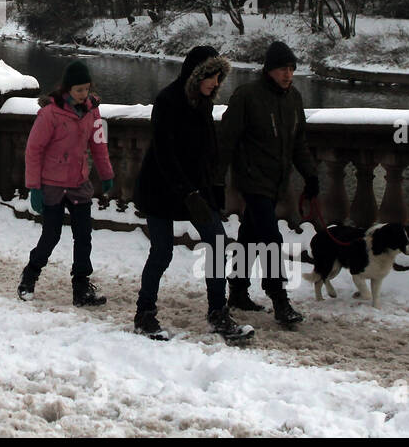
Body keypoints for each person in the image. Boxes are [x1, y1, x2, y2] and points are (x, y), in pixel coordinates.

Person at [132, 45, 252, 344]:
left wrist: (214, 191)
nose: (215, 83)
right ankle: (144, 313)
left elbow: (208, 153)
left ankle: (217, 312)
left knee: (218, 241)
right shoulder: (168, 100)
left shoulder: (204, 103)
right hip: (161, 188)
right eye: (210, 76)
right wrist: (189, 194)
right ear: (195, 75)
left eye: (218, 77)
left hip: (195, 188)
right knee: (162, 251)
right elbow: (165, 154)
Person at [218, 40, 319, 326]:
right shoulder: (247, 95)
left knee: (250, 235)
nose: (287, 74)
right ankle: (279, 299)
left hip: (276, 181)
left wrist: (310, 175)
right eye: (282, 69)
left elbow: (299, 142)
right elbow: (226, 140)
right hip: (252, 180)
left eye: (291, 69)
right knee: (271, 238)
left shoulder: (293, 98)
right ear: (268, 70)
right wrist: (216, 181)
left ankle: (237, 290)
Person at [18, 60, 115, 307]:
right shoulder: (49, 114)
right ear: (67, 89)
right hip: (51, 184)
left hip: (78, 182)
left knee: (84, 236)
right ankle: (30, 276)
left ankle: (81, 287)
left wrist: (106, 175)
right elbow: (34, 150)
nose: (84, 94)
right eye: (79, 90)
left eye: (87, 89)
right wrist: (34, 187)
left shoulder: (93, 111)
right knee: (51, 235)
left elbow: (99, 145)